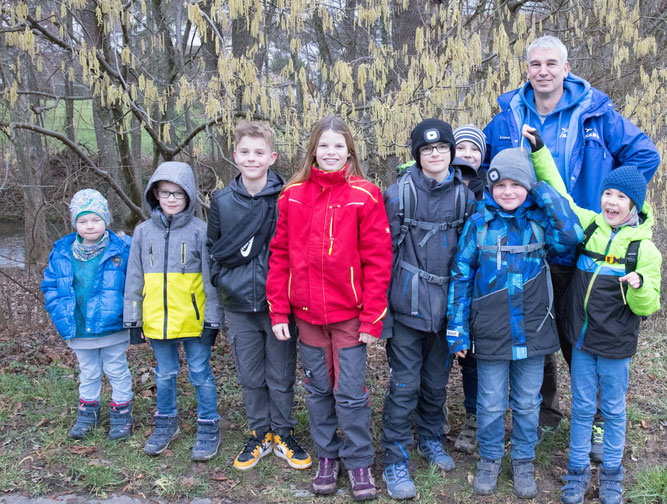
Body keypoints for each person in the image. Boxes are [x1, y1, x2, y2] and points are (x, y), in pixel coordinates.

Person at [482, 34, 660, 457]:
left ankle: (597, 418)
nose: (542, 71)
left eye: (551, 64)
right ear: (527, 68)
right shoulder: (510, 114)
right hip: (530, 241)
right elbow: (479, 161)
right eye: (535, 64)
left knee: (586, 332)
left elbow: (645, 155)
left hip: (583, 242)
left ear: (566, 68)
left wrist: (612, 201)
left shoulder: (596, 114)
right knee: (536, 325)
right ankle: (545, 413)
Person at [523, 127, 661, 504]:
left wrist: (639, 286)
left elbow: (649, 306)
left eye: (621, 197)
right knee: (582, 408)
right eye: (608, 194)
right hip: (581, 339)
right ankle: (578, 472)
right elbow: (560, 192)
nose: (612, 202)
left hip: (615, 345)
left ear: (635, 206)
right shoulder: (590, 225)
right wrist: (539, 151)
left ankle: (612, 475)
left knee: (613, 410)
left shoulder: (644, 251)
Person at [266, 116, 392, 501]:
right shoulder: (293, 195)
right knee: (319, 389)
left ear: (349, 150)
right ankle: (327, 455)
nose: (331, 152)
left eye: (338, 146)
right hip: (307, 317)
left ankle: (358, 461)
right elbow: (280, 255)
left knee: (351, 392)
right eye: (324, 146)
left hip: (350, 317)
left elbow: (378, 260)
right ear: (313, 150)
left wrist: (372, 317)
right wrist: (278, 311)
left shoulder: (365, 195)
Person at [446, 147, 583, 498]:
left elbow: (570, 234)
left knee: (526, 401)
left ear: (528, 187)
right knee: (490, 401)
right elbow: (460, 277)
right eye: (500, 184)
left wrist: (540, 188)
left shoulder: (538, 222)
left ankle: (523, 459)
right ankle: (490, 458)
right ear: (489, 187)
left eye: (517, 185)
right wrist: (457, 331)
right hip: (490, 332)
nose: (508, 192)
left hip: (534, 330)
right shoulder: (478, 224)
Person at [380, 119, 477, 500]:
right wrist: (382, 313)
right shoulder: (398, 195)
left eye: (441, 148)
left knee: (437, 383)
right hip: (406, 307)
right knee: (404, 385)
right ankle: (395, 456)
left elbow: (470, 260)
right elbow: (381, 256)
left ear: (452, 152)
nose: (434, 154)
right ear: (417, 155)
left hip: (446, 310)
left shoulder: (464, 198)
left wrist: (464, 315)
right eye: (426, 149)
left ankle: (431, 437)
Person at [207, 121, 311, 471]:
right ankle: (259, 433)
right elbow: (214, 250)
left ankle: (282, 432)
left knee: (281, 374)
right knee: (249, 375)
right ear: (235, 155)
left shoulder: (288, 197)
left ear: (272, 157)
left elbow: (296, 247)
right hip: (238, 306)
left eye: (259, 152)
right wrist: (224, 282)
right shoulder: (221, 200)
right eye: (245, 152)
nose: (252, 159)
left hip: (278, 304)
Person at [124, 162, 223, 461]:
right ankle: (166, 423)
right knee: (165, 374)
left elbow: (211, 281)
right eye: (165, 192)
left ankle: (209, 426)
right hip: (156, 321)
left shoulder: (200, 231)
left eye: (178, 194)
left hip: (194, 322)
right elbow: (134, 277)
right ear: (155, 192)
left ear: (189, 196)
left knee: (200, 375)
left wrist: (213, 320)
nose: (171, 199)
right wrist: (133, 318)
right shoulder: (142, 233)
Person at [42, 189, 133, 441]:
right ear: (75, 223)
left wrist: (129, 313)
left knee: (116, 369)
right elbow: (51, 286)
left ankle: (121, 412)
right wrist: (60, 312)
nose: (89, 226)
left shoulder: (122, 250)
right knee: (89, 371)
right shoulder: (63, 252)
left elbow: (135, 283)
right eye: (82, 221)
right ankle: (88, 412)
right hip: (79, 327)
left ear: (106, 219)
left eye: (95, 219)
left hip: (112, 326)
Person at [450, 124, 486, 455]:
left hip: (471, 286)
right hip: (433, 282)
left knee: (471, 357)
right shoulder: (436, 184)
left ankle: (474, 418)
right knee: (435, 353)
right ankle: (430, 411)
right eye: (462, 148)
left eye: (474, 150)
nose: (468, 155)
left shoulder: (488, 193)